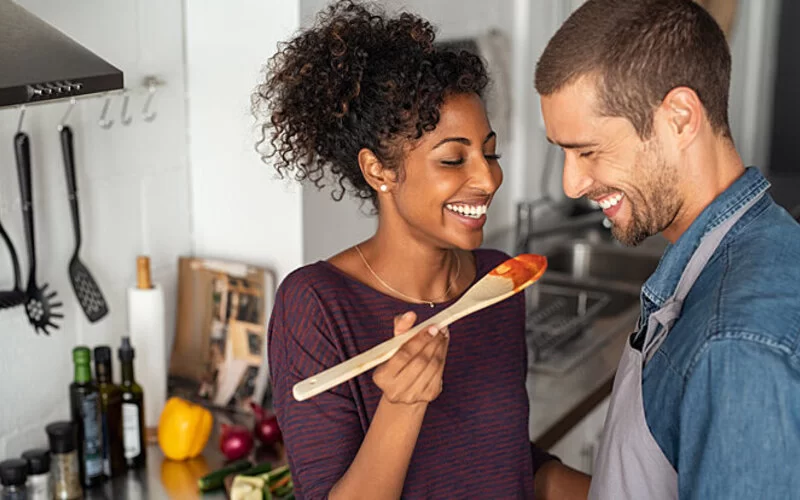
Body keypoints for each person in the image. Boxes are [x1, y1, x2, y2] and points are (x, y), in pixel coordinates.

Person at [256, 1, 559, 498]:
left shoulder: (499, 282)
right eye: (453, 159)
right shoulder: (316, 305)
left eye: (490, 152)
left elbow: (502, 461)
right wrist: (401, 405)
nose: (487, 178)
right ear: (380, 171)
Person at [533, 0, 800, 498]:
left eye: (588, 151)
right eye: (562, 152)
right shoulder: (763, 241)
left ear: (679, 117)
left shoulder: (734, 346)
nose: (571, 184)